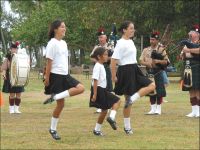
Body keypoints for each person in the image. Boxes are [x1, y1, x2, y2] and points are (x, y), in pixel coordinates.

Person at [111, 21, 155, 134]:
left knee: (152, 85)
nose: (133, 30)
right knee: (127, 100)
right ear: (124, 30)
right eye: (131, 28)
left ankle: (132, 98)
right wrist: (113, 76)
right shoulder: (120, 43)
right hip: (125, 70)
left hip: (134, 68)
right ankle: (127, 127)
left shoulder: (130, 41)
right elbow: (113, 61)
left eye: (133, 28)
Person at [43, 20, 85, 140]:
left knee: (81, 88)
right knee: (60, 105)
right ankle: (53, 129)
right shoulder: (52, 43)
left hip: (65, 75)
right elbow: (49, 62)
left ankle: (54, 97)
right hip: (55, 76)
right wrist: (47, 78)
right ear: (55, 29)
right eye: (62, 27)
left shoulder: (64, 43)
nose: (64, 29)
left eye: (65, 27)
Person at [90, 47, 121, 136]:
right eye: (105, 55)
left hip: (102, 89)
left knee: (104, 111)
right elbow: (95, 80)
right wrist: (95, 94)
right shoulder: (97, 66)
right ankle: (111, 118)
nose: (107, 56)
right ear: (99, 57)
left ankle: (97, 130)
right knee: (117, 101)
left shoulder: (101, 65)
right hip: (99, 90)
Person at [139, 31, 170, 115]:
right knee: (151, 90)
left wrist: (157, 61)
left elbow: (166, 61)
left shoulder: (161, 49)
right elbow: (141, 60)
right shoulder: (146, 50)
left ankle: (158, 109)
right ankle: (152, 108)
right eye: (150, 39)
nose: (151, 41)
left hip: (158, 71)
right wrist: (147, 63)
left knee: (159, 90)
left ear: (157, 40)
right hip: (149, 71)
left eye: (153, 39)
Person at [90, 27, 113, 113]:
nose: (100, 39)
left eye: (101, 37)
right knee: (99, 86)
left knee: (108, 87)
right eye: (99, 37)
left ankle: (109, 103)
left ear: (105, 37)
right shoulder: (97, 47)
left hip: (106, 67)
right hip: (99, 67)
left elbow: (113, 58)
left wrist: (106, 58)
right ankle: (100, 105)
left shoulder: (110, 46)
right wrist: (98, 60)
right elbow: (91, 57)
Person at [180, 24, 200, 118]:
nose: (190, 34)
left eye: (192, 33)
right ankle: (194, 111)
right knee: (191, 89)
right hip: (188, 68)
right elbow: (183, 56)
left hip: (197, 67)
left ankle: (199, 111)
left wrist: (188, 50)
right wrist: (183, 53)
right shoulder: (187, 42)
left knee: (198, 89)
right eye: (190, 33)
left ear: (197, 34)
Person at [1, 41, 24, 114]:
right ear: (10, 49)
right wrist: (4, 74)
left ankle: (16, 109)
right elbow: (3, 68)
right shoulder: (7, 58)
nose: (14, 50)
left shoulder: (20, 57)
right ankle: (11, 109)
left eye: (16, 49)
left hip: (19, 77)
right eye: (13, 49)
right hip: (10, 77)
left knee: (19, 94)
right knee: (12, 94)